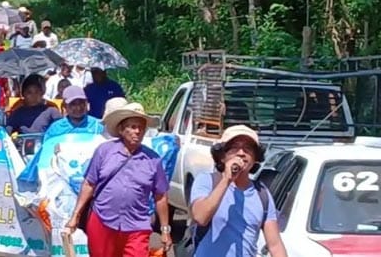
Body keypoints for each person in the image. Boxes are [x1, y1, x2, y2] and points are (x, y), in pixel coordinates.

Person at [66, 102, 172, 257]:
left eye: (141, 127)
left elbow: (161, 195)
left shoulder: (153, 159)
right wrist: (75, 216)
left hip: (137, 225)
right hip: (103, 220)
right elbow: (89, 183)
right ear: (121, 130)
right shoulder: (104, 151)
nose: (137, 131)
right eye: (133, 127)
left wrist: (165, 230)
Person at [188, 125, 288, 257]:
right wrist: (226, 180)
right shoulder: (207, 181)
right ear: (222, 156)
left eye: (248, 149)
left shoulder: (262, 193)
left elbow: (275, 245)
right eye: (234, 148)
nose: (241, 153)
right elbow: (200, 217)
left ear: (255, 158)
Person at [17, 86, 105, 190]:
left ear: (87, 104)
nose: (78, 108)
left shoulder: (97, 126)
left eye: (81, 103)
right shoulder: (56, 128)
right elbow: (46, 154)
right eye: (73, 104)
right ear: (65, 106)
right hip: (61, 180)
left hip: (90, 180)